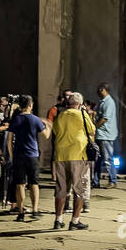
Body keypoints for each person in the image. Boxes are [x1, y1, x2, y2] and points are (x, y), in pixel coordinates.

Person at [51, 92, 94, 230]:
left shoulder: (60, 115)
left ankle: (58, 220)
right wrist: (86, 113)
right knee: (79, 189)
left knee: (61, 189)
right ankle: (75, 221)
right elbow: (92, 129)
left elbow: (56, 131)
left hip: (61, 155)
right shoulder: (81, 114)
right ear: (80, 104)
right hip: (78, 155)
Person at [6, 95, 50, 222]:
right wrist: (48, 125)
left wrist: (12, 154)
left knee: (20, 184)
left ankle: (20, 212)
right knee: (34, 183)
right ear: (30, 105)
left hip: (19, 155)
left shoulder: (16, 119)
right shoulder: (35, 119)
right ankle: (35, 210)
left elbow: (9, 139)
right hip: (32, 155)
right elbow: (46, 135)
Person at [93, 83, 119, 188]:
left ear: (103, 90)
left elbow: (104, 118)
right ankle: (95, 181)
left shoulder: (109, 102)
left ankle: (112, 181)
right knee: (97, 159)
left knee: (108, 159)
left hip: (106, 135)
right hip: (101, 134)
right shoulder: (102, 102)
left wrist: (94, 127)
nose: (97, 92)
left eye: (99, 89)